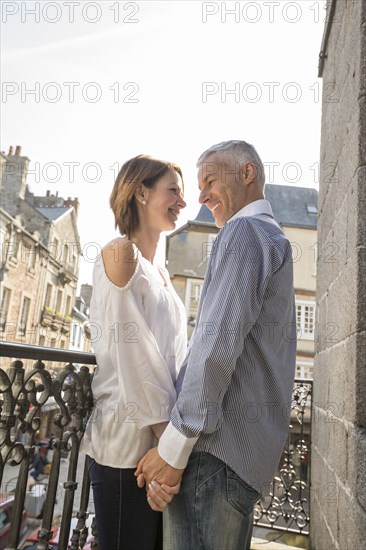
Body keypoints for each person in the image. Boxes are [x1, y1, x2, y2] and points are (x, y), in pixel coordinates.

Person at [136, 140, 297, 550]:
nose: (201, 195)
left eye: (210, 180)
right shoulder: (274, 239)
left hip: (214, 455)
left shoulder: (244, 231)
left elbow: (215, 346)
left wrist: (173, 450)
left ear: (247, 174)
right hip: (242, 460)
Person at [80, 155, 187, 550]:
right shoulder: (119, 252)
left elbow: (175, 358)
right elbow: (134, 356)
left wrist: (171, 450)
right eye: (172, 190)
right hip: (128, 453)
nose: (182, 201)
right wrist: (169, 448)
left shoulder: (160, 272)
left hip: (159, 450)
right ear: (141, 192)